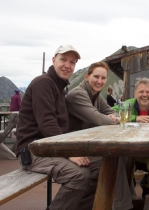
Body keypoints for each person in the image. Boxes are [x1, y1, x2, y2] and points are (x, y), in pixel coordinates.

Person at [15, 45, 98, 210]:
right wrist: (69, 153)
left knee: (101, 166)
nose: (68, 65)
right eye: (63, 60)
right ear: (53, 61)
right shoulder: (43, 83)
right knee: (80, 175)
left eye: (72, 62)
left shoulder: (59, 87)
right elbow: (47, 123)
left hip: (50, 147)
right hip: (32, 150)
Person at [66, 61, 133, 210]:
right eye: (96, 76)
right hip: (74, 148)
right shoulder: (78, 94)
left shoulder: (95, 95)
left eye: (103, 78)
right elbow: (99, 118)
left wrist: (113, 118)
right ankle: (122, 205)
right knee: (114, 158)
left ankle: (123, 201)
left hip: (88, 143)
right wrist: (114, 119)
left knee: (124, 156)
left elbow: (114, 113)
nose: (100, 81)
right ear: (86, 76)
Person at [113, 77, 149, 199]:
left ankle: (146, 185)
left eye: (148, 92)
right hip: (129, 153)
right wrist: (134, 118)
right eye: (141, 92)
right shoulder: (128, 104)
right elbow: (111, 113)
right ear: (135, 94)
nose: (145, 95)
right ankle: (129, 192)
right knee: (123, 174)